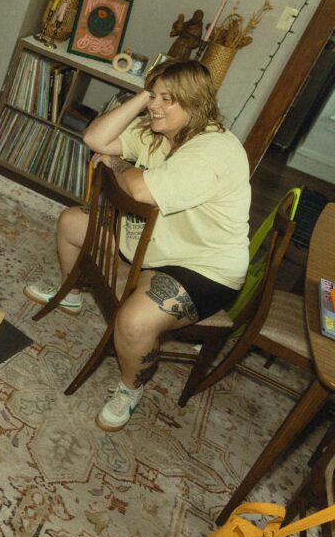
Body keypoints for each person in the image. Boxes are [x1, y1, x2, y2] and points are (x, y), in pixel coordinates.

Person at [24, 60, 250, 431]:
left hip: (202, 266)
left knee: (132, 323)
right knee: (70, 223)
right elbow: (94, 139)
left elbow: (141, 189)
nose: (154, 106)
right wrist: (143, 95)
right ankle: (72, 291)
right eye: (153, 96)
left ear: (195, 103)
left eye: (167, 99)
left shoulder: (213, 150)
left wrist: (114, 165)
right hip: (150, 241)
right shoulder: (155, 130)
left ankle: (131, 388)